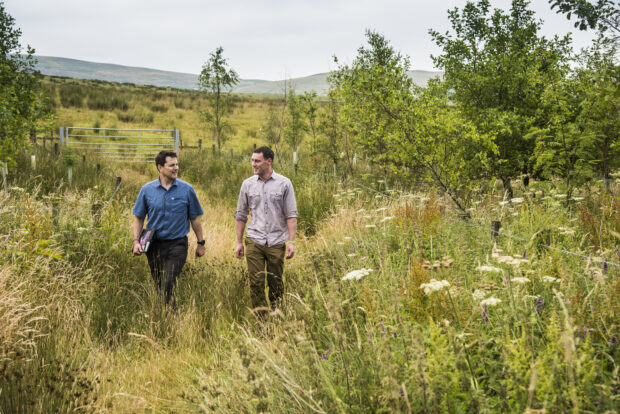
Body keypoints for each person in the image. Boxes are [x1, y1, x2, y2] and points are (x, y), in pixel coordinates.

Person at [132, 150, 206, 308]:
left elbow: (195, 219)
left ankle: (169, 315)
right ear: (160, 167)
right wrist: (136, 241)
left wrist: (201, 243)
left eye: (177, 164)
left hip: (177, 244)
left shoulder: (187, 190)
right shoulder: (147, 190)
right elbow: (138, 218)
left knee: (168, 281)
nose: (176, 168)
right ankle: (167, 315)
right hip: (153, 244)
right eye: (171, 165)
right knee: (159, 284)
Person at [234, 146, 298, 320]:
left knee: (276, 283)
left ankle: (277, 317)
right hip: (254, 240)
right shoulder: (247, 184)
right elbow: (241, 215)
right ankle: (262, 324)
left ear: (268, 161)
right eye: (252, 160)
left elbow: (291, 215)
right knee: (256, 283)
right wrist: (239, 242)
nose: (253, 164)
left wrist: (291, 242)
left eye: (257, 161)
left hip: (276, 241)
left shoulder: (284, 183)